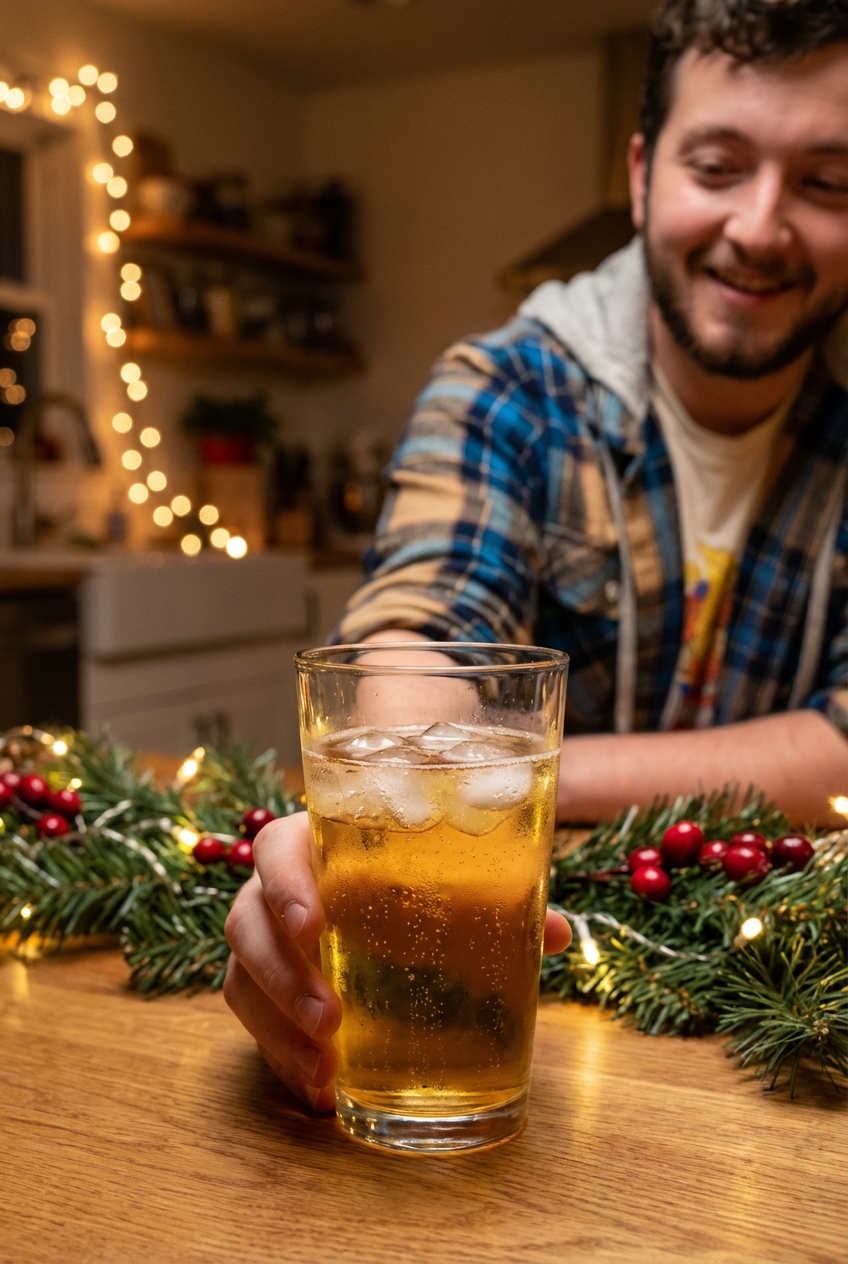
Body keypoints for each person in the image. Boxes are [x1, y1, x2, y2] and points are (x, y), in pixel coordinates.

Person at [224, 0, 848, 1111]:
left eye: (824, 183)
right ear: (643, 171)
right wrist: (374, 805)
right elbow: (413, 638)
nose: (758, 228)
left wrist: (526, 791)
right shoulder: (506, 387)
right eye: (717, 165)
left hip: (779, 1046)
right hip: (523, 1016)